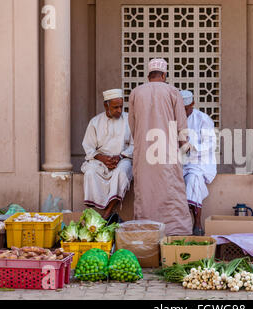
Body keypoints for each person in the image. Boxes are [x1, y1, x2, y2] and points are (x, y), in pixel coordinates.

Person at [128, 58, 193, 236]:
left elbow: (132, 125)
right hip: (167, 152)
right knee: (171, 191)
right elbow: (181, 124)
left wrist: (142, 143)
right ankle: (175, 233)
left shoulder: (136, 93)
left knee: (145, 192)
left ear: (149, 75)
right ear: (164, 75)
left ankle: (146, 233)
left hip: (144, 153)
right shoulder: (172, 92)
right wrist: (185, 146)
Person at [81, 89, 134, 223]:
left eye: (121, 107)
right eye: (115, 107)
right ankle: (92, 213)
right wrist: (102, 158)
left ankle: (107, 213)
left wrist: (120, 156)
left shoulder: (129, 120)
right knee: (90, 172)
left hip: (123, 158)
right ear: (106, 106)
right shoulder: (95, 122)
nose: (119, 110)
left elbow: (135, 144)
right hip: (100, 159)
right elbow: (88, 146)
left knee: (121, 173)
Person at [180, 90, 217, 236]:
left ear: (192, 104)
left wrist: (191, 146)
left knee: (194, 180)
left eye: (186, 109)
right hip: (179, 162)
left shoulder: (203, 119)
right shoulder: (174, 119)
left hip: (200, 162)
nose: (183, 112)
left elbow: (210, 144)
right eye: (181, 109)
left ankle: (197, 222)